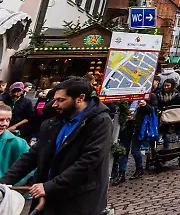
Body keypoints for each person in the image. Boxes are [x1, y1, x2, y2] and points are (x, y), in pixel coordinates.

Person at [1, 76, 112, 215]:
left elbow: (89, 161)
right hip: (46, 197)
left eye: (61, 100)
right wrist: (4, 182)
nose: (55, 104)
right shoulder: (57, 119)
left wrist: (50, 186)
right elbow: (33, 155)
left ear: (80, 98)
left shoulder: (100, 122)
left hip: (76, 200)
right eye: (55, 99)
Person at [0, 104, 28, 182]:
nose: (5, 124)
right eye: (1, 119)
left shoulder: (19, 143)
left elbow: (29, 169)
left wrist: (8, 186)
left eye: (8, 120)